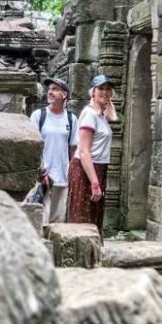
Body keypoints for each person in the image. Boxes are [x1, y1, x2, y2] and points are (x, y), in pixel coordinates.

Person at [67, 74, 117, 231]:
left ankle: (91, 253)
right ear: (92, 92)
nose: (105, 92)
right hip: (86, 170)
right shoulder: (89, 114)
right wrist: (95, 183)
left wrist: (108, 108)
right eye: (101, 89)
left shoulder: (99, 115)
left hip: (98, 169)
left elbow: (114, 118)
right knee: (82, 218)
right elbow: (83, 152)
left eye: (108, 89)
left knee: (93, 217)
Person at [30, 77, 78, 225]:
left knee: (58, 221)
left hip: (62, 177)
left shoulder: (71, 119)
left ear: (64, 95)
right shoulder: (39, 115)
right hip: (41, 177)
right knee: (40, 220)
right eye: (49, 89)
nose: (50, 92)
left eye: (55, 89)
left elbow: (73, 148)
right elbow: (32, 146)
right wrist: (40, 171)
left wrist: (72, 173)